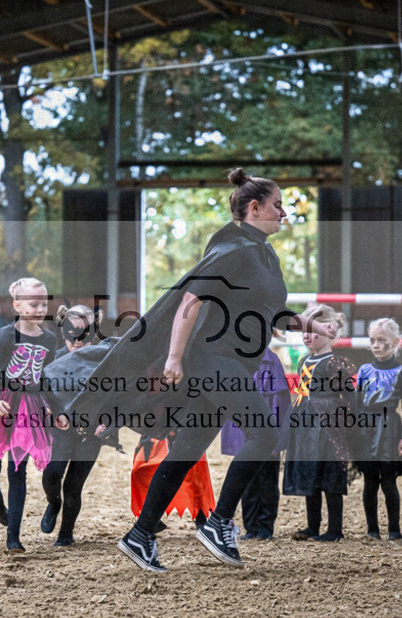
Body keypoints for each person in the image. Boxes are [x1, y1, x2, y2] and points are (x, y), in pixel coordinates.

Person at [44, 168, 336, 572]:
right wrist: (173, 358)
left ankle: (140, 535)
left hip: (230, 362)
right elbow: (189, 302)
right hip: (215, 361)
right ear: (255, 208)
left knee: (186, 450)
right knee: (265, 433)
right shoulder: (234, 249)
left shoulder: (262, 253)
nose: (283, 213)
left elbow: (270, 312)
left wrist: (312, 325)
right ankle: (219, 524)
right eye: (277, 205)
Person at [0, 277, 61, 553]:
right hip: (0, 403)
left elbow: (45, 376)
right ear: (17, 305)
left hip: (28, 407)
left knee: (17, 469)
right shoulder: (6, 335)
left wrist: (55, 407)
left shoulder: (49, 339)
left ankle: (13, 537)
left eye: (44, 303)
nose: (40, 308)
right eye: (33, 303)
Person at [283, 304, 360, 542]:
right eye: (303, 330)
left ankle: (335, 529)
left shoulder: (337, 363)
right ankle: (312, 526)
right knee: (310, 471)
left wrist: (349, 428)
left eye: (311, 330)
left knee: (329, 474)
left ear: (329, 331)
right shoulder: (303, 361)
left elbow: (349, 398)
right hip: (305, 424)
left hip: (328, 426)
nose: (305, 335)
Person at [39, 304, 109, 547]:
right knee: (52, 473)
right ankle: (53, 503)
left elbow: (115, 397)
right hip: (59, 429)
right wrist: (45, 408)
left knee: (73, 485)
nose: (78, 340)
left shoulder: (103, 362)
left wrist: (108, 422)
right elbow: (40, 390)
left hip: (90, 433)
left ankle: (65, 534)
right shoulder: (53, 359)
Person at [351, 317, 402, 541]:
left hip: (389, 430)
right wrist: (355, 433)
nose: (376, 344)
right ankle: (372, 529)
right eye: (372, 340)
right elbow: (357, 404)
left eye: (381, 340)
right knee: (370, 481)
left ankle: (394, 530)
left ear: (395, 342)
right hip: (366, 430)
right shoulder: (364, 370)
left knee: (388, 481)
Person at [220, 347, 291, 540]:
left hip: (267, 435)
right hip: (245, 435)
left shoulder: (271, 361)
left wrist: (276, 437)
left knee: (268, 483)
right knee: (247, 483)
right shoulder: (234, 359)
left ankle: (265, 528)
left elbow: (279, 403)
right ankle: (251, 528)